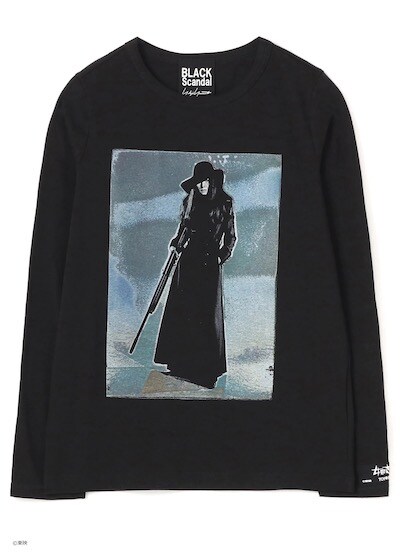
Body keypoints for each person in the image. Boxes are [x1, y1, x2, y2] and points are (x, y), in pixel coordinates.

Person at [153, 161, 237, 389]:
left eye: (205, 181)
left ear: (212, 181)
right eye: (198, 182)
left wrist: (222, 255)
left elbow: (231, 236)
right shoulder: (189, 201)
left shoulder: (225, 203)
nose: (201, 186)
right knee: (184, 311)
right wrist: (176, 245)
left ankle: (206, 370)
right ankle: (180, 365)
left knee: (206, 315)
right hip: (188, 262)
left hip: (209, 264)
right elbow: (183, 229)